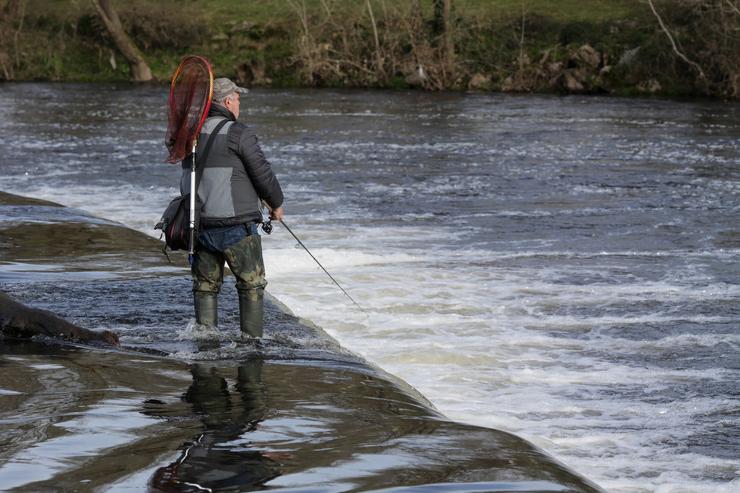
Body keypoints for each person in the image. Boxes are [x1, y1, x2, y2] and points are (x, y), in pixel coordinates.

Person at [181, 77, 284, 338]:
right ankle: (251, 345)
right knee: (251, 286)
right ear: (228, 101)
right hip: (237, 227)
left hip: (199, 226)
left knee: (205, 287)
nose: (239, 104)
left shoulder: (190, 133)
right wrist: (277, 204)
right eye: (238, 99)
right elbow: (263, 174)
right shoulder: (239, 133)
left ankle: (205, 344)